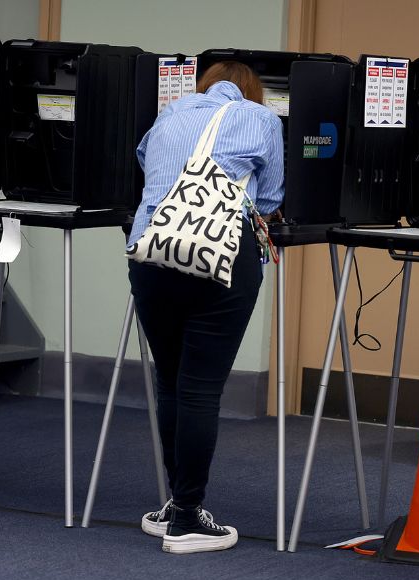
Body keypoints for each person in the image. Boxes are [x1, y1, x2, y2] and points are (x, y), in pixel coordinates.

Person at [127, 61, 283, 554]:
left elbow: (145, 165)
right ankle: (189, 519)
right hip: (221, 254)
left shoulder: (170, 112)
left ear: (204, 85)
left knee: (170, 379)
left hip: (152, 250)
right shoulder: (261, 120)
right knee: (200, 389)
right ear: (251, 91)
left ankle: (176, 504)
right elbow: (273, 198)